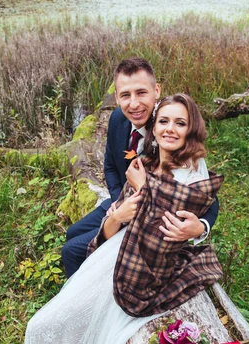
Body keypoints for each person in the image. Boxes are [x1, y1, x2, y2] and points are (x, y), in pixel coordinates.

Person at [22, 94, 224, 344]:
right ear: (154, 128)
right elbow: (113, 222)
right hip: (112, 252)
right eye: (164, 121)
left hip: (143, 267)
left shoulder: (192, 174)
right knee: (43, 325)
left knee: (68, 325)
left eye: (180, 123)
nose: (170, 128)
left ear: (190, 130)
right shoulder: (145, 162)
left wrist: (151, 192)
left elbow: (163, 228)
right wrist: (117, 215)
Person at [61, 58, 219, 277]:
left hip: (151, 223)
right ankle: (93, 274)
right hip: (122, 203)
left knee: (71, 251)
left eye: (141, 93)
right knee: (72, 232)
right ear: (116, 97)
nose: (134, 104)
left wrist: (201, 227)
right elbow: (110, 167)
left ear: (156, 90)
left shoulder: (170, 129)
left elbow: (207, 196)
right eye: (125, 95)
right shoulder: (118, 119)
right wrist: (119, 204)